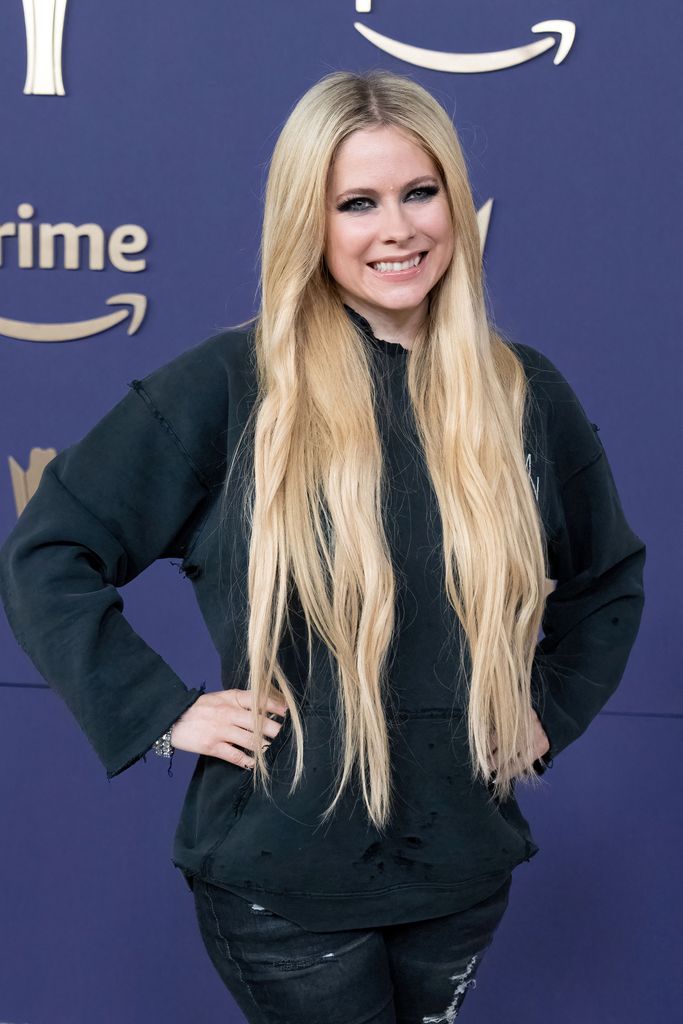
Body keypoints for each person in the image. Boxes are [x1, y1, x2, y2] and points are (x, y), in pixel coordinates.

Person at [0, 70, 646, 1023]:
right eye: (357, 203)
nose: (398, 229)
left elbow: (607, 579)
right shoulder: (230, 386)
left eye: (419, 192)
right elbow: (49, 551)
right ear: (309, 219)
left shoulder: (521, 391)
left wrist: (543, 709)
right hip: (283, 883)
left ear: (455, 204)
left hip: (461, 870)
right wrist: (163, 712)